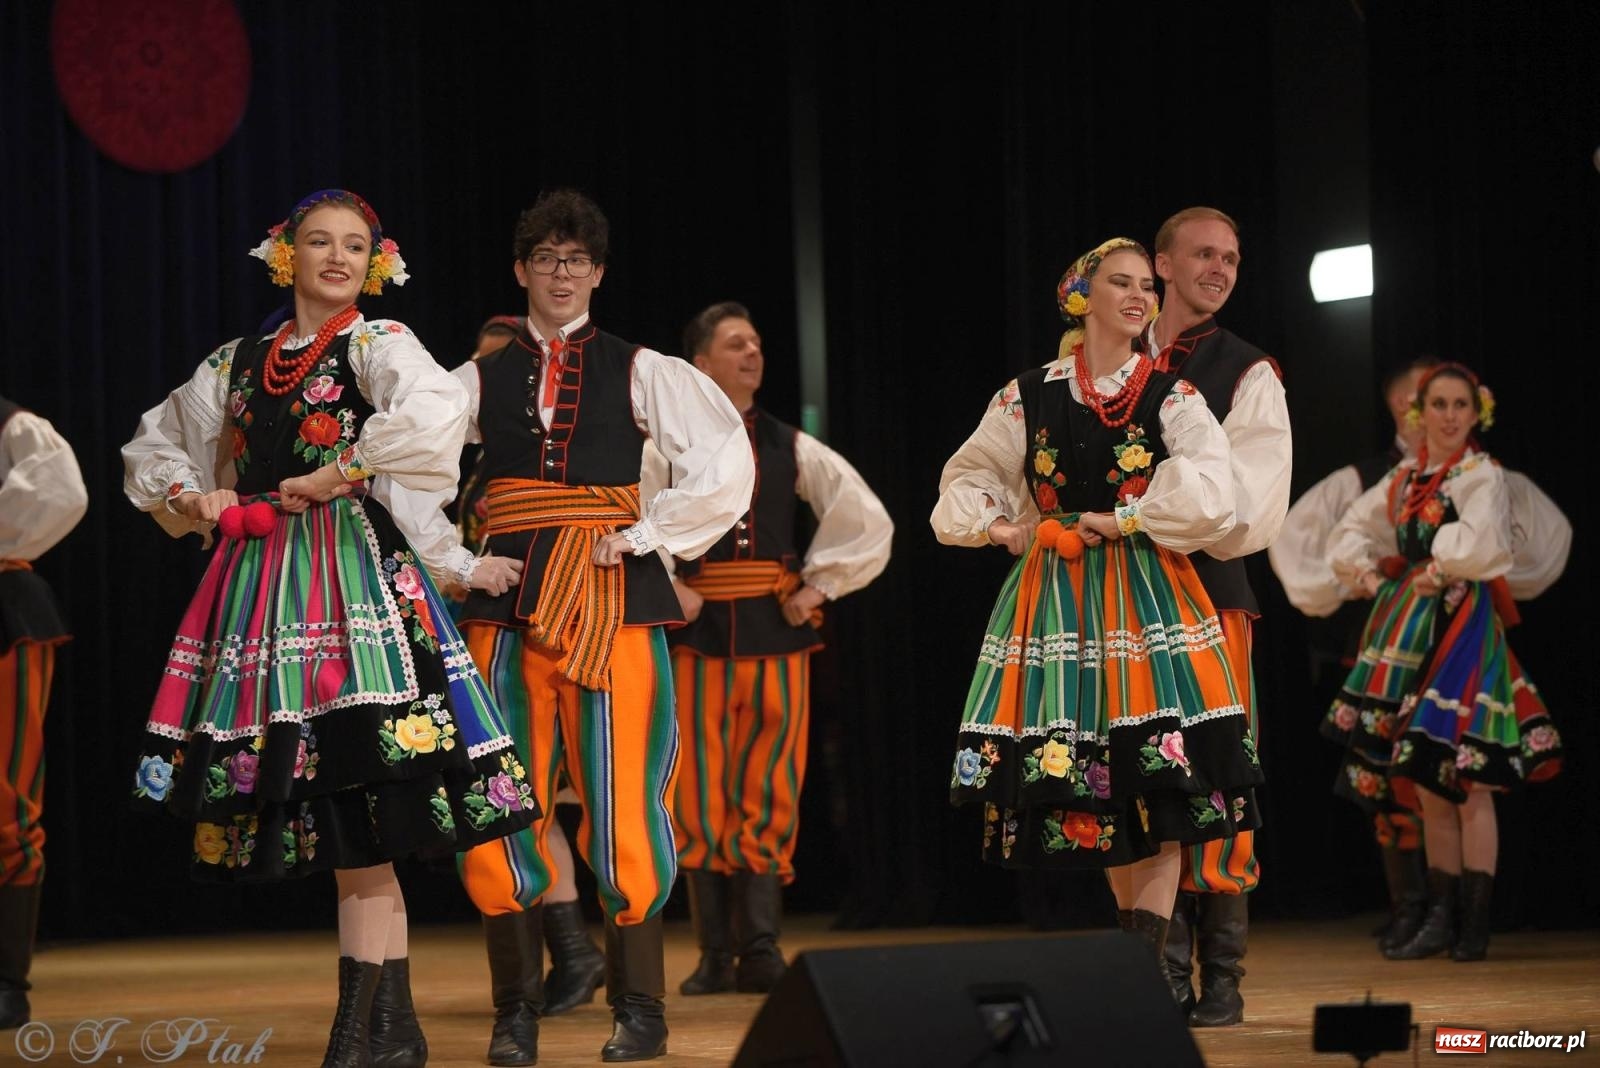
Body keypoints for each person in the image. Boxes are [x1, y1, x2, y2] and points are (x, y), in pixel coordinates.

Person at [122, 189, 539, 1068]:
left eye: (356, 245)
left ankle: (371, 1030)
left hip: (352, 580)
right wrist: (194, 494)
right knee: (339, 811)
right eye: (320, 242)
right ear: (288, 255)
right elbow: (154, 446)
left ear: (375, 264)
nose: (338, 257)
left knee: (364, 792)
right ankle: (388, 1028)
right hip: (266, 586)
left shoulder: (377, 343)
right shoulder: (236, 361)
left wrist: (342, 468)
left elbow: (432, 416)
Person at [413, 189, 754, 1064]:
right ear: (521, 269)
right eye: (545, 259)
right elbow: (405, 474)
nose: (561, 274)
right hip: (510, 603)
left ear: (597, 272)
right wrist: (460, 562)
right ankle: (514, 1011)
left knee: (625, 796)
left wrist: (649, 533)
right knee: (502, 799)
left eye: (577, 260)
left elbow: (723, 462)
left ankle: (640, 1007)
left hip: (614, 598)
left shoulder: (642, 369)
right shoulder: (471, 379)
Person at [932, 237, 1261, 964]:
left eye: (1147, 284)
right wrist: (997, 526)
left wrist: (1131, 519)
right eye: (1122, 283)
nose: (1140, 296)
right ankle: (1144, 970)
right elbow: (968, 475)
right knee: (1103, 792)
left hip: (1146, 592)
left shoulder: (1171, 395)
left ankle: (1156, 978)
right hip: (1058, 600)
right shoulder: (1028, 393)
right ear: (1082, 298)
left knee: (1159, 782)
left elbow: (1213, 490)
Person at [1271, 358, 1571, 954]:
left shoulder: (1481, 476)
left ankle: (1475, 923)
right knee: (1427, 776)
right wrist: (1376, 566)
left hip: (1463, 625)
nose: (1450, 416)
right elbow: (1349, 534)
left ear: (1475, 412)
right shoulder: (1405, 481)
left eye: (1461, 405)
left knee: (1471, 775)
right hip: (1410, 625)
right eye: (1439, 405)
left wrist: (1436, 561)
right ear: (1418, 413)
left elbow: (1482, 547)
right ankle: (1439, 916)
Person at [663, 302, 892, 996]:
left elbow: (863, 515)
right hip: (697, 638)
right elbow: (626, 513)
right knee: (698, 789)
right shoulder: (666, 445)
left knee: (768, 786)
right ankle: (711, 952)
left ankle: (759, 946)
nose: (752, 353)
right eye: (736, 345)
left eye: (756, 343)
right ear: (702, 363)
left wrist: (816, 588)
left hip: (773, 633)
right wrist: (669, 584)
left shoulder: (788, 443)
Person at [1144, 207, 1291, 1027]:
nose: (1219, 267)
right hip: (1122, 596)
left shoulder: (1247, 370)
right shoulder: (1108, 362)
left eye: (1231, 257)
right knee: (1144, 767)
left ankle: (1223, 972)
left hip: (1207, 589)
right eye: (1202, 254)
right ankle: (1158, 971)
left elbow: (1250, 508)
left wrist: (1147, 519)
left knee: (1218, 767)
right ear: (1161, 263)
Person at [449, 314, 608, 1017]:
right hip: (486, 632)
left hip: (555, 628)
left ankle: (577, 955)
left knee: (531, 798)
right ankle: (571, 955)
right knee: (513, 801)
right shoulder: (480, 465)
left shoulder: (561, 462)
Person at [0, 398, 87, 1029]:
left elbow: (59, 489)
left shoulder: (12, 424)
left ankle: (6, 981)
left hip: (4, 607)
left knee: (7, 796)